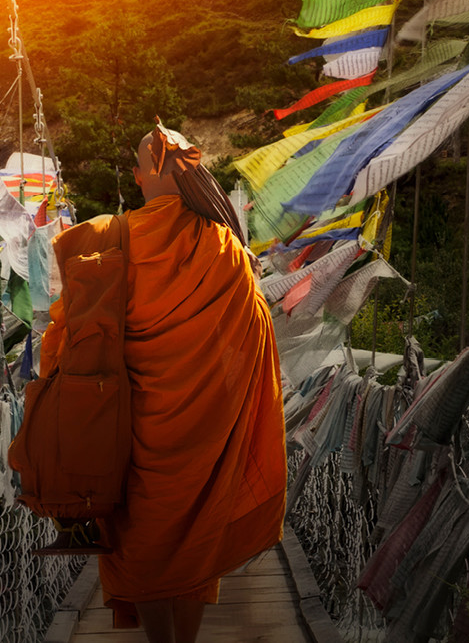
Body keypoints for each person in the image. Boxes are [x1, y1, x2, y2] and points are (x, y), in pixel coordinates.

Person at [44, 122, 287, 643]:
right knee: (199, 534)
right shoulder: (223, 247)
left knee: (142, 543)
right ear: (187, 169)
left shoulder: (108, 240)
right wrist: (224, 403)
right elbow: (255, 336)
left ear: (138, 176)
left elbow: (67, 341)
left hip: (130, 429)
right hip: (205, 430)